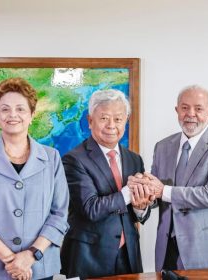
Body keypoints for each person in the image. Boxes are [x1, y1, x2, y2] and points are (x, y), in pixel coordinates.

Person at [0, 77, 70, 280]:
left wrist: (30, 256)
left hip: (37, 266)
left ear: (32, 114)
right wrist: (12, 261)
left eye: (20, 109)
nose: (13, 115)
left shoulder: (51, 157)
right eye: (5, 109)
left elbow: (59, 214)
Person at [129, 85, 208, 271]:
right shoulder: (162, 146)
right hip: (168, 249)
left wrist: (161, 190)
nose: (191, 114)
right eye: (185, 107)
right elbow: (157, 195)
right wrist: (142, 198)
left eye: (198, 108)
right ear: (177, 110)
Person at [60, 89, 152, 279]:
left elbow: (139, 214)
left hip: (129, 255)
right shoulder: (73, 159)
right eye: (104, 118)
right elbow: (90, 208)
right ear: (90, 120)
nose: (111, 125)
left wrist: (140, 207)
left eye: (118, 119)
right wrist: (129, 192)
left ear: (125, 121)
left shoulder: (134, 159)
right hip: (89, 258)